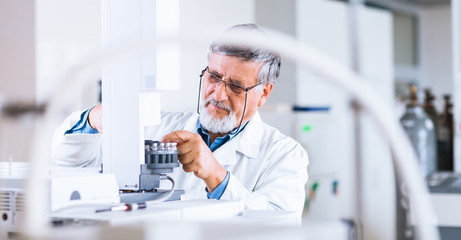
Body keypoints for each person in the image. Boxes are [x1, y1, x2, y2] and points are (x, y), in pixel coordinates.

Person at [52, 23, 309, 216]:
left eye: (236, 86)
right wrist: (93, 119)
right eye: (213, 77)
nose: (217, 94)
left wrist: (216, 176)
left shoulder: (285, 155)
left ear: (264, 93)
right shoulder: (157, 124)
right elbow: (68, 163)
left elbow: (279, 223)